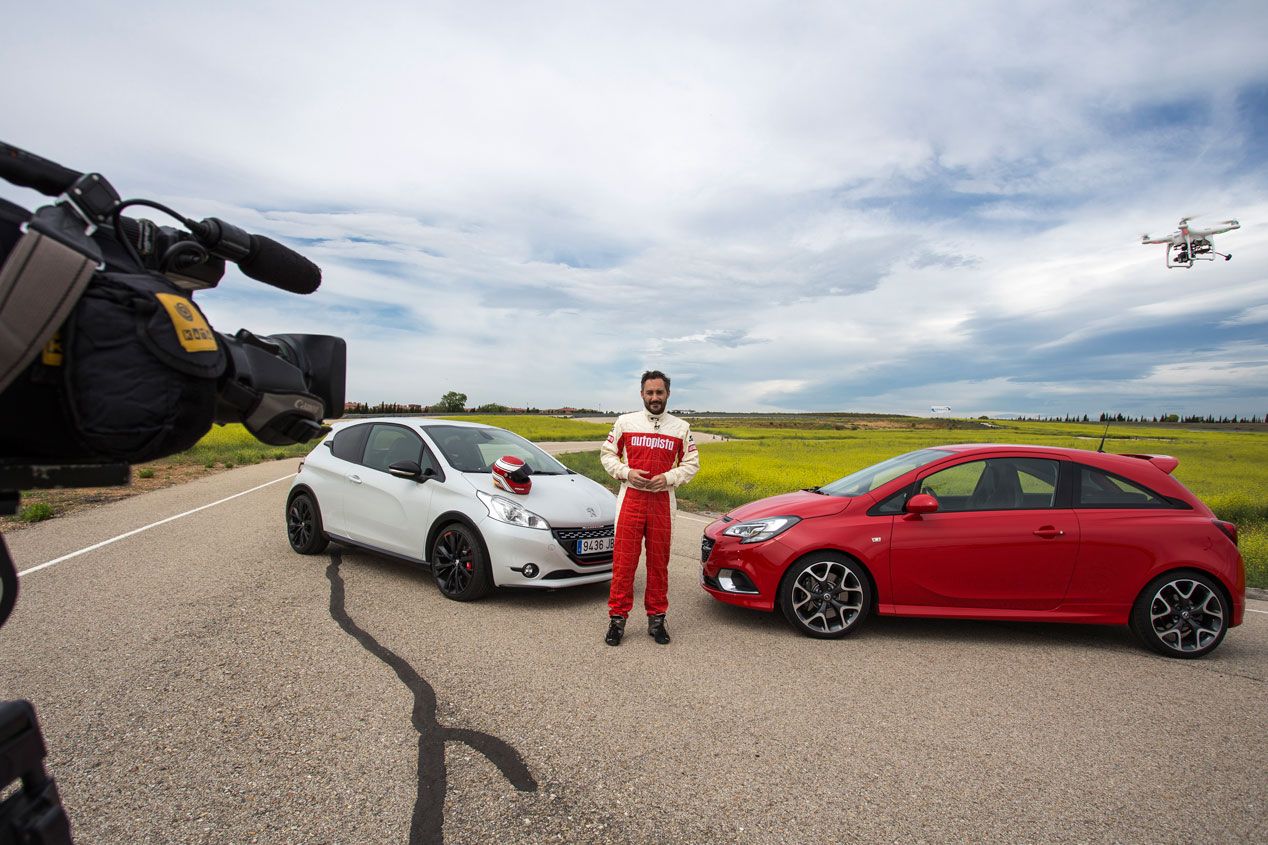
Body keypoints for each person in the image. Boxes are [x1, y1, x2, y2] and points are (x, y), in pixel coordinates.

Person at [599, 370, 699, 646]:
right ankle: (617, 621)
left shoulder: (681, 427)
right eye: (650, 392)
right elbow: (607, 455)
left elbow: (691, 464)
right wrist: (626, 472)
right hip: (630, 499)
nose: (655, 397)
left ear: (668, 394)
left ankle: (657, 620)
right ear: (641, 394)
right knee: (624, 564)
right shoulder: (625, 422)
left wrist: (668, 478)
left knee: (658, 564)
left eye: (659, 392)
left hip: (662, 503)